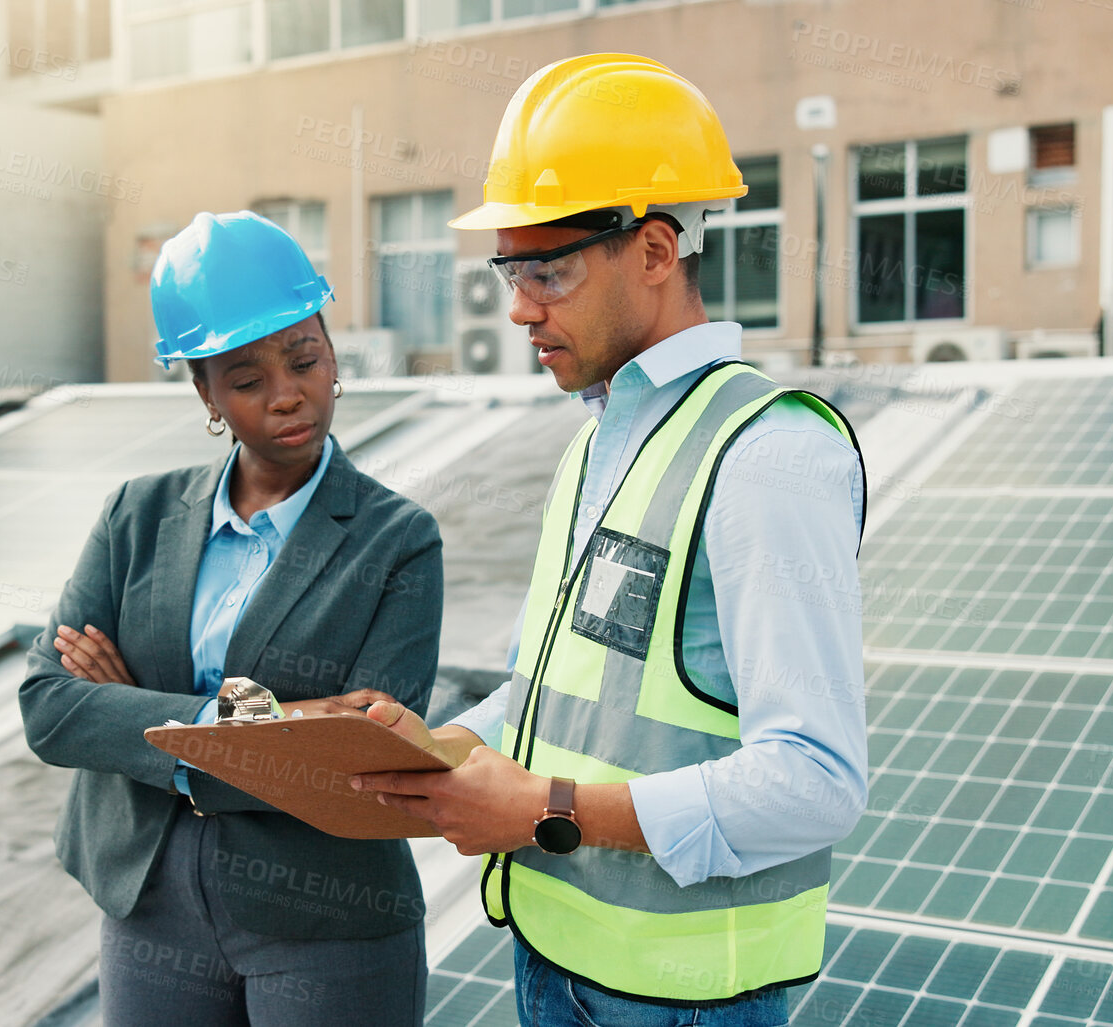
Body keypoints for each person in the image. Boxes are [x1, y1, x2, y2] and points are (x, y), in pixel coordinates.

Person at [352, 54, 868, 1025]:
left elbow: (816, 781)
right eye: (511, 270)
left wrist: (549, 810)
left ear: (657, 251)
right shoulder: (597, 445)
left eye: (548, 270)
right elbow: (556, 698)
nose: (517, 307)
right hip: (555, 960)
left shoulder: (769, 453)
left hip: (685, 998)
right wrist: (436, 749)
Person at [19, 210, 443, 1026]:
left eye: (306, 359)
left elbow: (359, 760)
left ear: (330, 351)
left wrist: (140, 710)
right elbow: (52, 708)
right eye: (246, 380)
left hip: (325, 919)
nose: (288, 395)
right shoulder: (134, 517)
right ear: (204, 392)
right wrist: (265, 719)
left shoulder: (397, 541)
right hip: (149, 907)